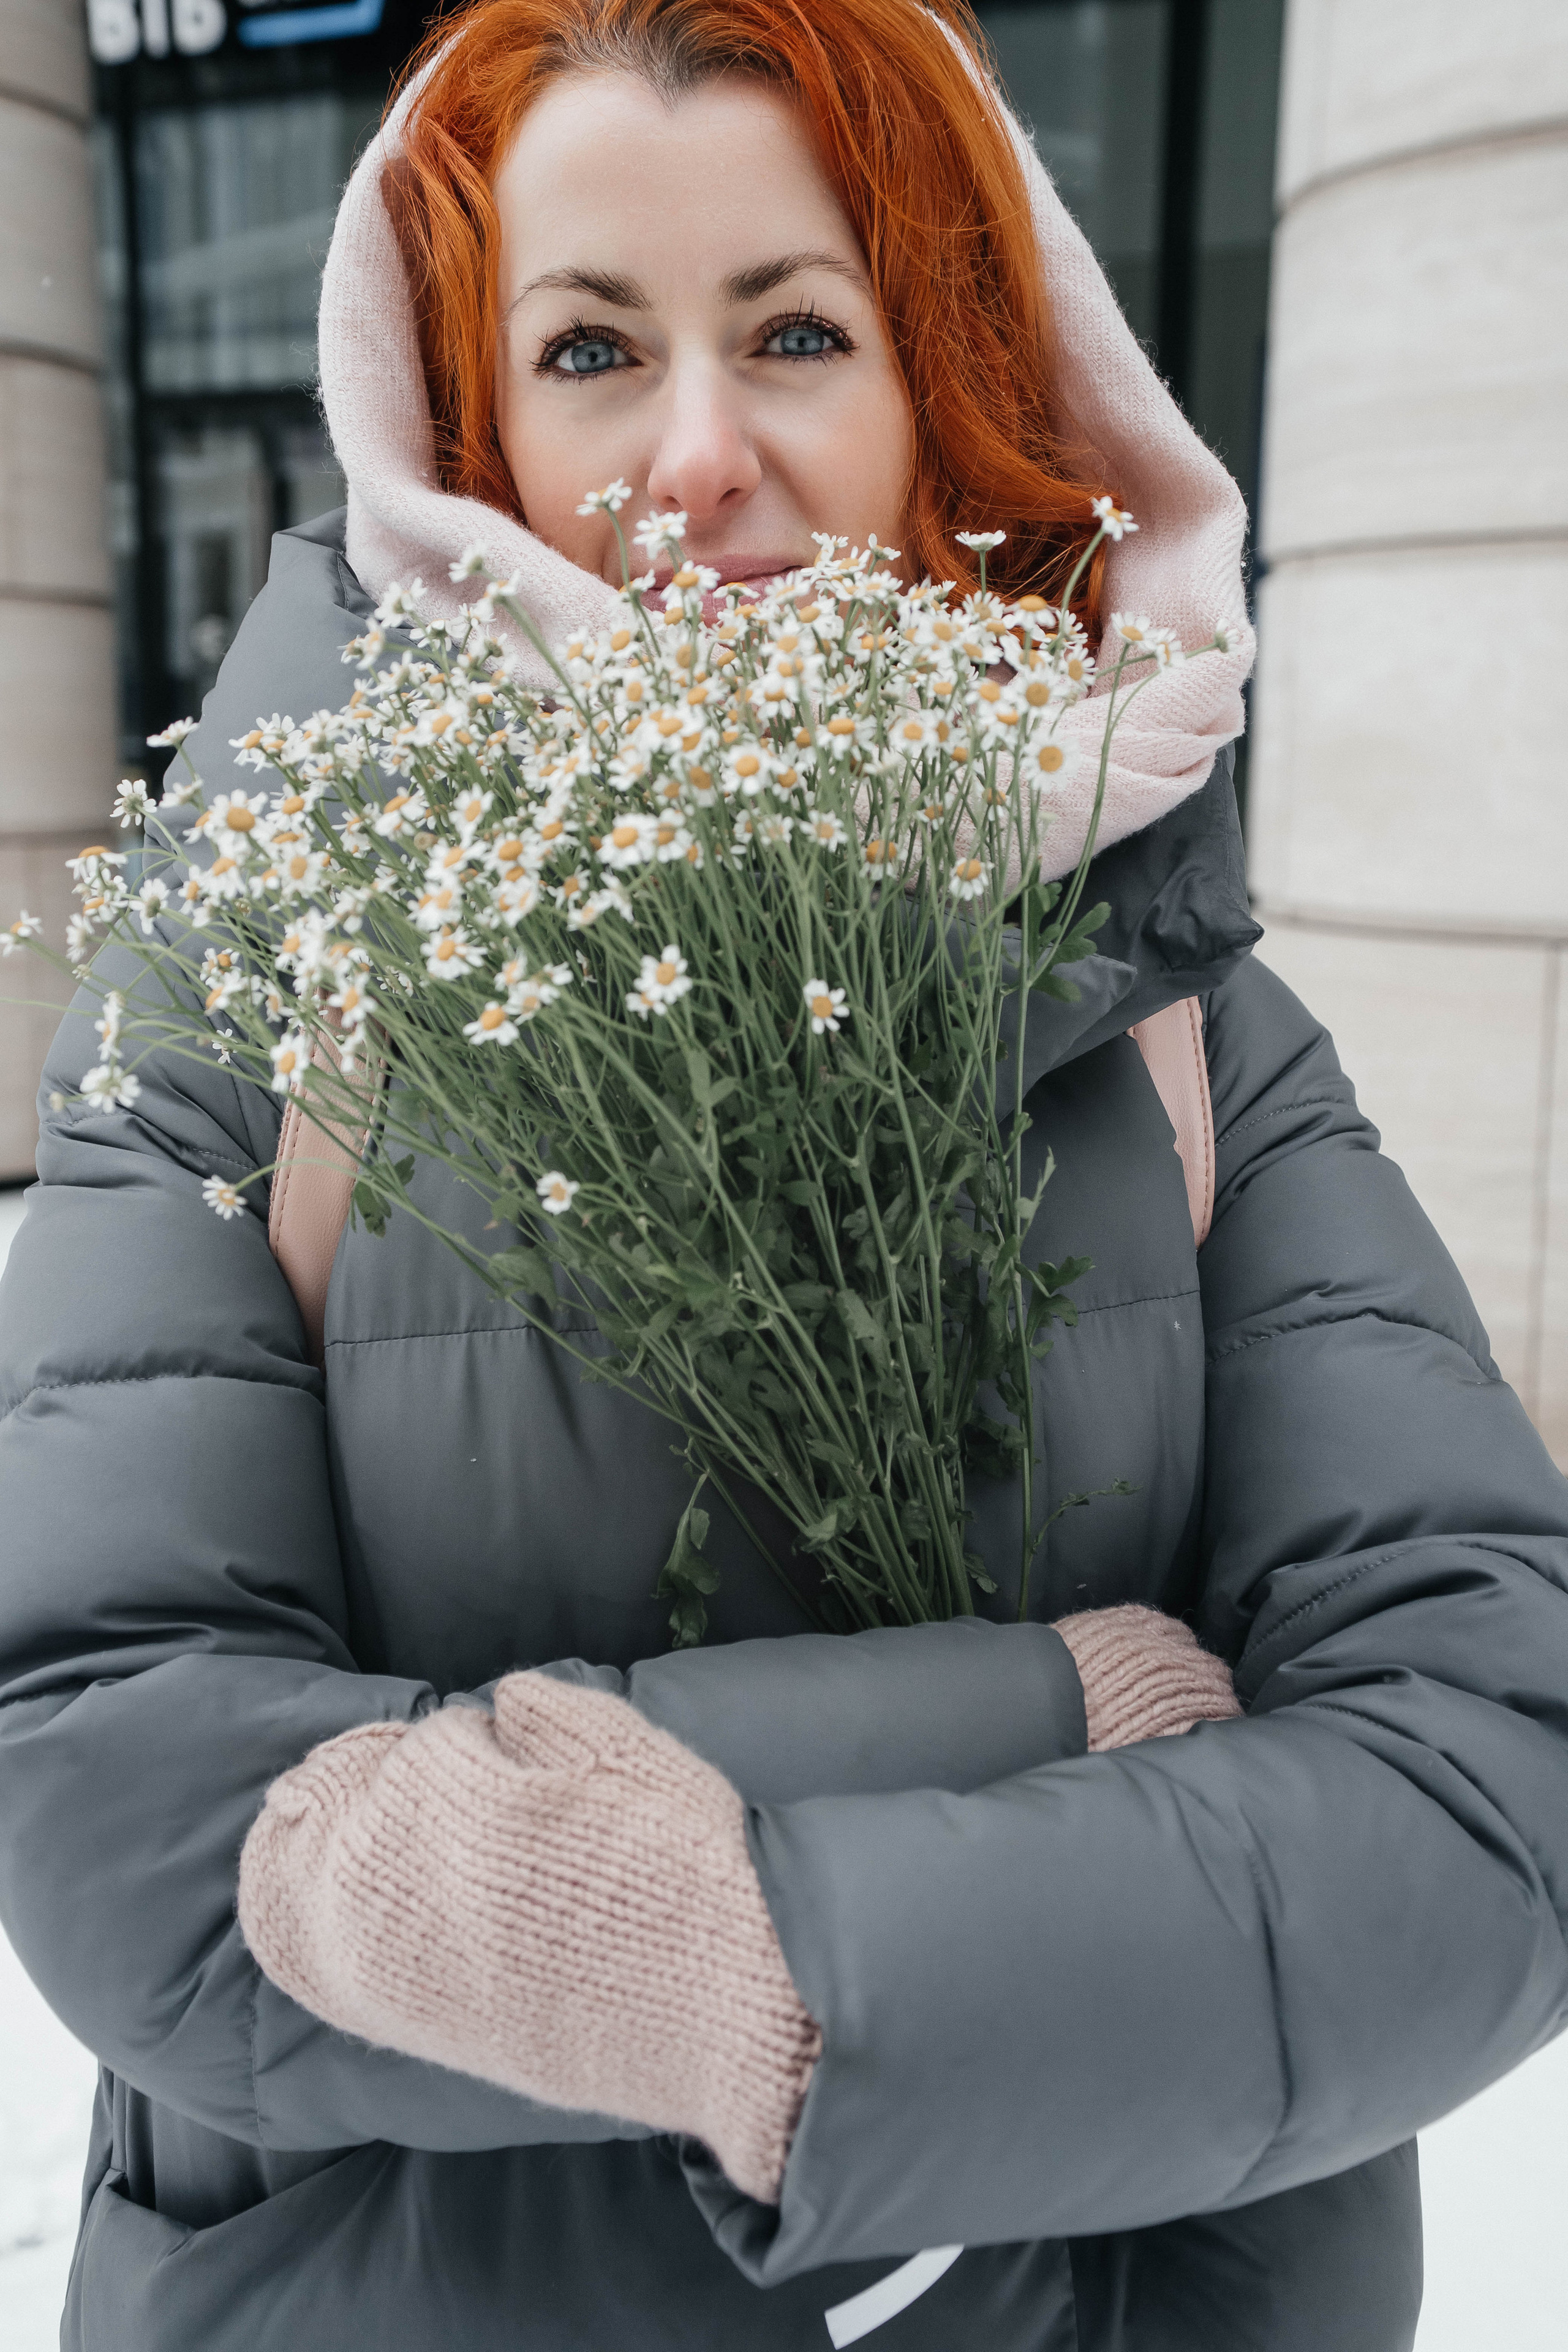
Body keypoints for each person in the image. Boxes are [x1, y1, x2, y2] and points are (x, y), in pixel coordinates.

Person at [1, 2, 1564, 2346]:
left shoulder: (1172, 998)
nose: (702, 452)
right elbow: (137, 1824)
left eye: (799, 331)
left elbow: (1483, 1796)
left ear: (940, 367)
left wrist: (520, 1865)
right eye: (594, 346)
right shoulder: (262, 990)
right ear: (465, 420)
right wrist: (1077, 1716)